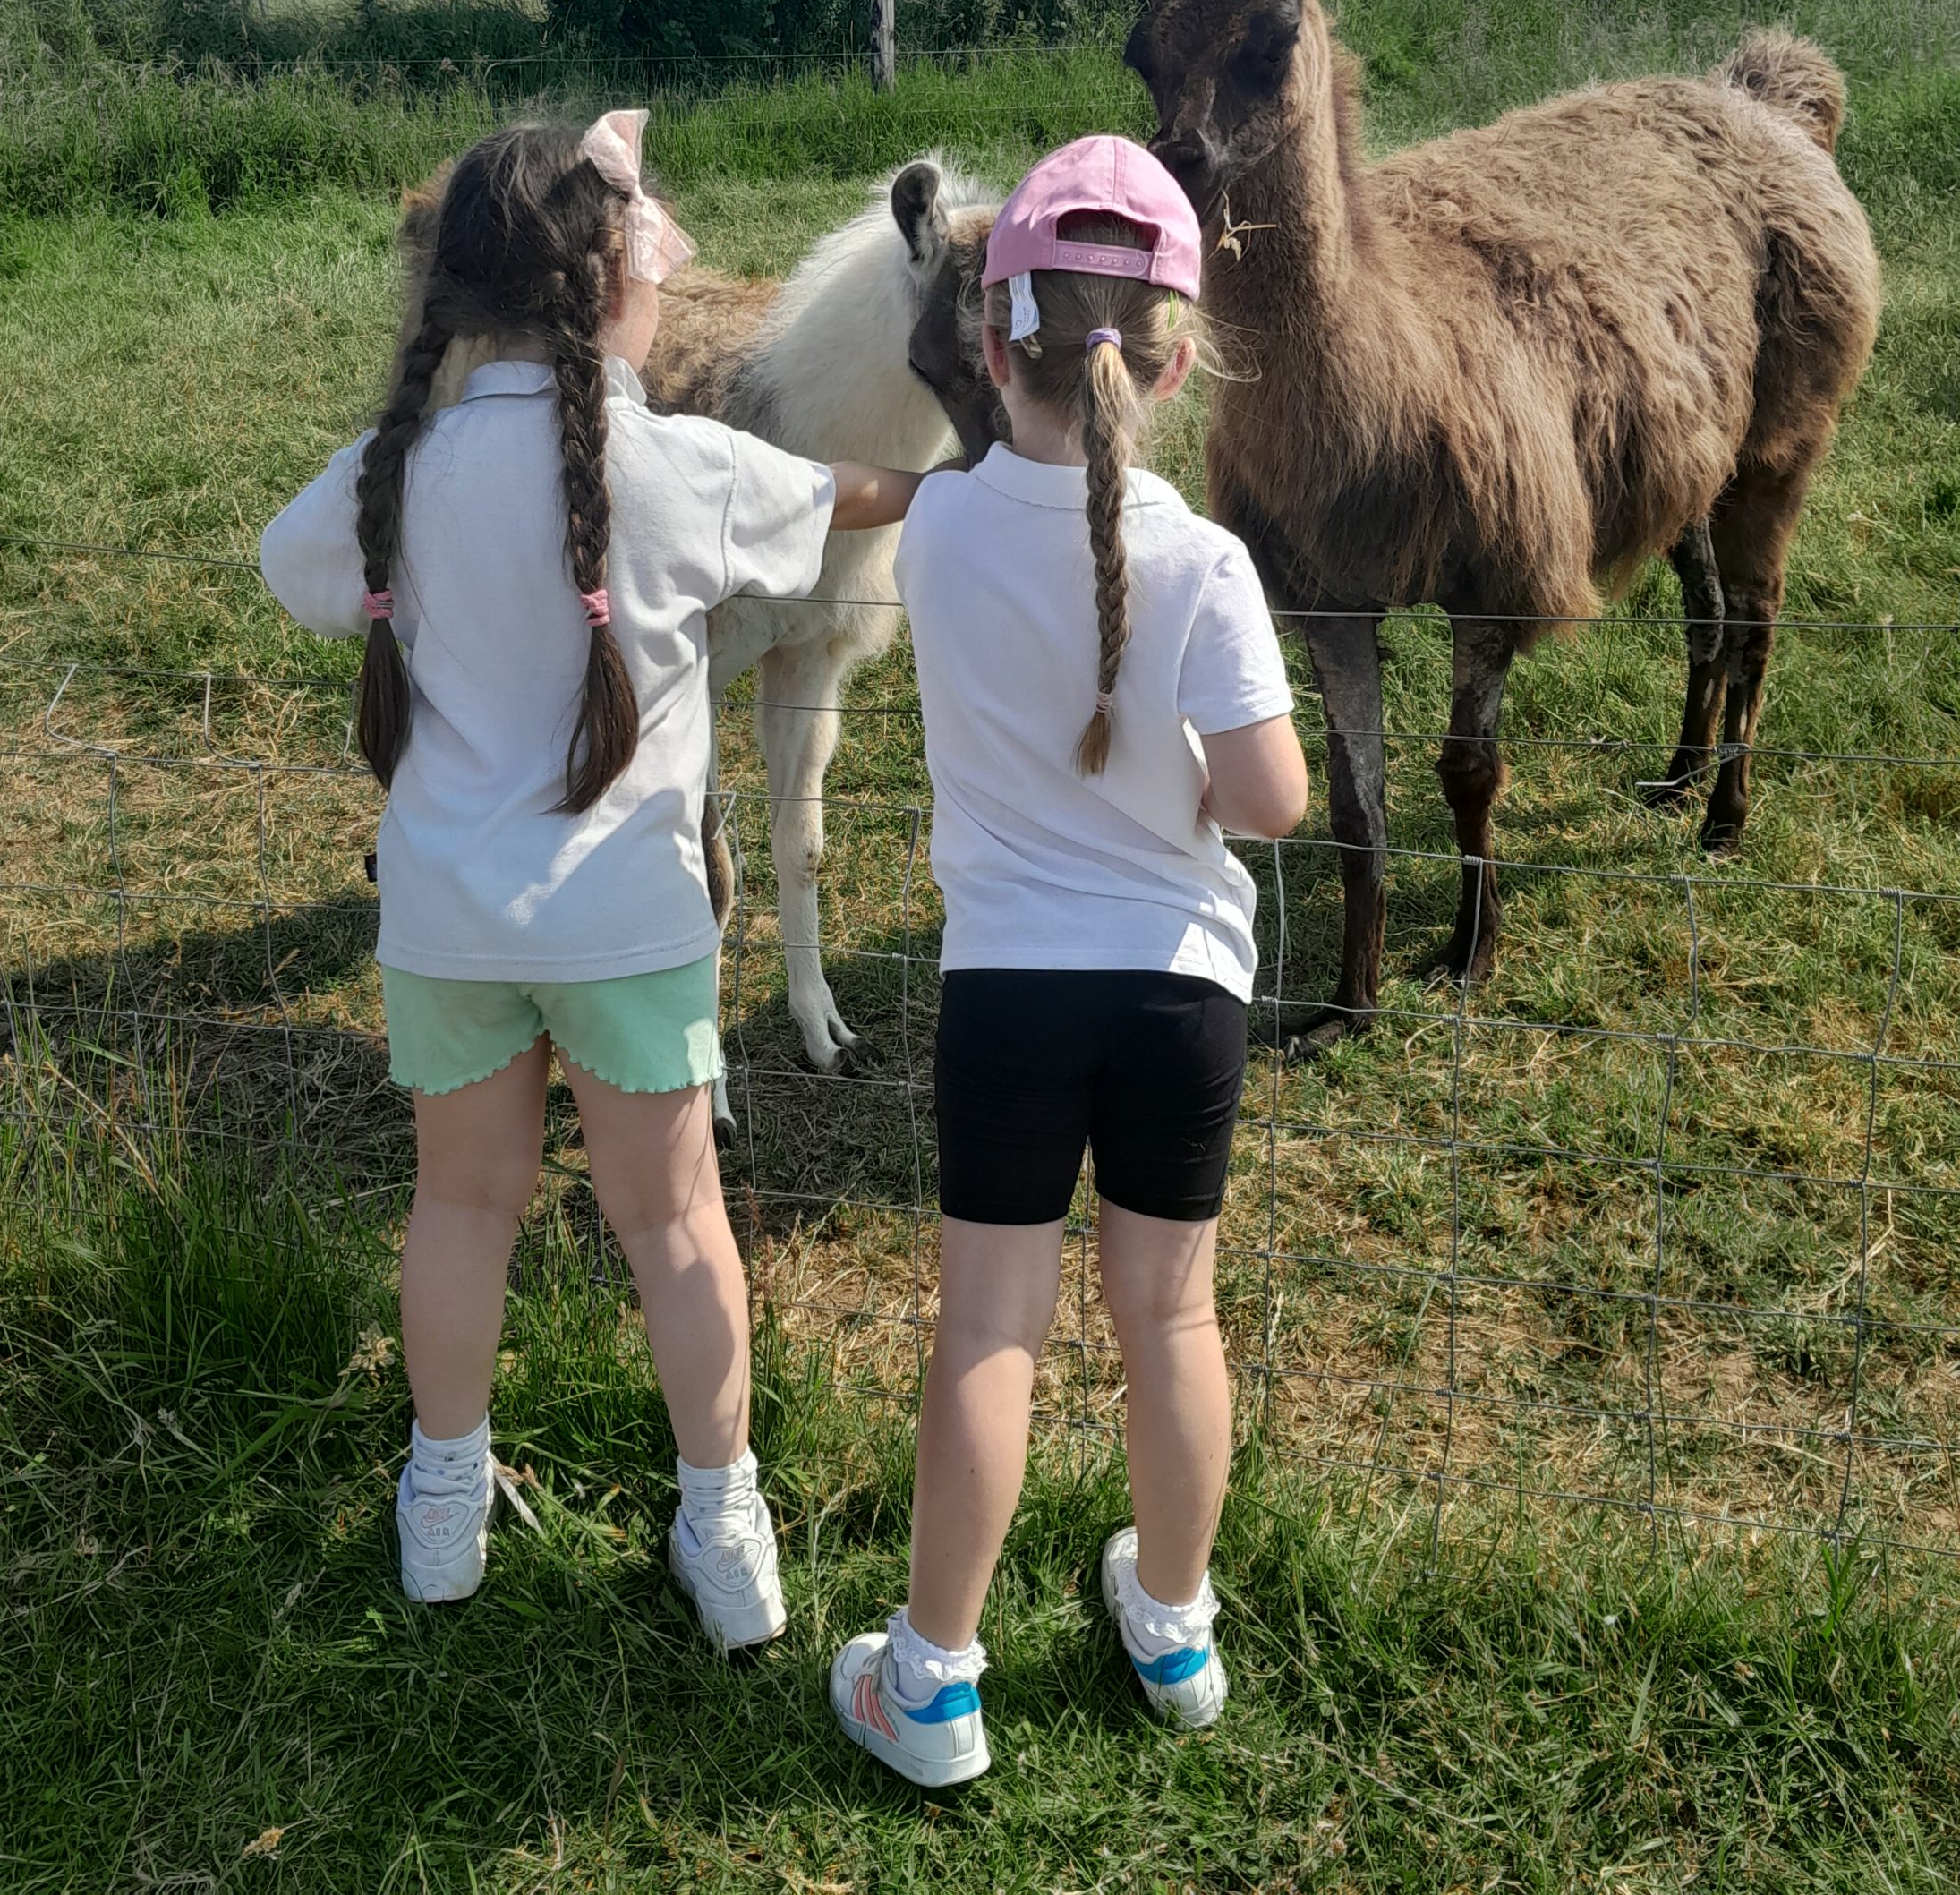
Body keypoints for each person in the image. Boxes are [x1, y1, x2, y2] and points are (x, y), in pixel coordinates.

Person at [260, 114, 921, 1649]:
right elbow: (837, 497)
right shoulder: (676, 467)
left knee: (459, 1208)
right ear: (611, 283)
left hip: (444, 928)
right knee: (676, 1223)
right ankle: (724, 1525)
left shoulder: (397, 471)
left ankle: (443, 1507)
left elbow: (295, 566)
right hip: (630, 923)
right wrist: (950, 482)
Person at [830, 135, 1309, 1784]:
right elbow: (1271, 801)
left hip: (1006, 994)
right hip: (1182, 993)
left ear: (990, 344)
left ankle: (933, 1685)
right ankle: (1174, 1627)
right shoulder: (1210, 563)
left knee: (989, 1332)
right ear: (1175, 363)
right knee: (1173, 1321)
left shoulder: (941, 534)